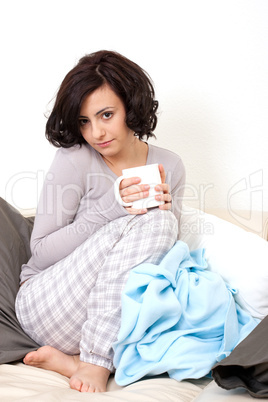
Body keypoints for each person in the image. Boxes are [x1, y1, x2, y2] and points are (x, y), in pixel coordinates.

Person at [15, 50, 186, 393]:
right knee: (158, 223)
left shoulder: (170, 164)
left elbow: (152, 261)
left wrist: (164, 220)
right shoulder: (74, 159)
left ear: (131, 106)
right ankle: (94, 361)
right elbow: (41, 251)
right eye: (83, 121)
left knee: (165, 234)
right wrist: (113, 207)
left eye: (106, 115)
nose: (96, 132)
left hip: (103, 315)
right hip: (44, 303)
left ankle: (73, 362)